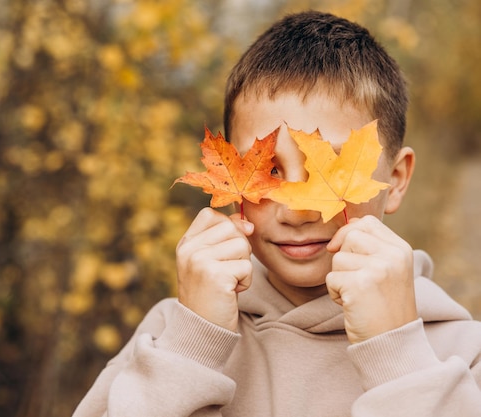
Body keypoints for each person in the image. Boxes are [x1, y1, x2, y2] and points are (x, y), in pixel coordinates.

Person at [73, 10, 481, 416]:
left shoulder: (461, 353)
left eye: (332, 169)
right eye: (269, 170)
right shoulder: (173, 333)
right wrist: (192, 346)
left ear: (395, 180)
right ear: (230, 171)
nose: (297, 211)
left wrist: (398, 357)